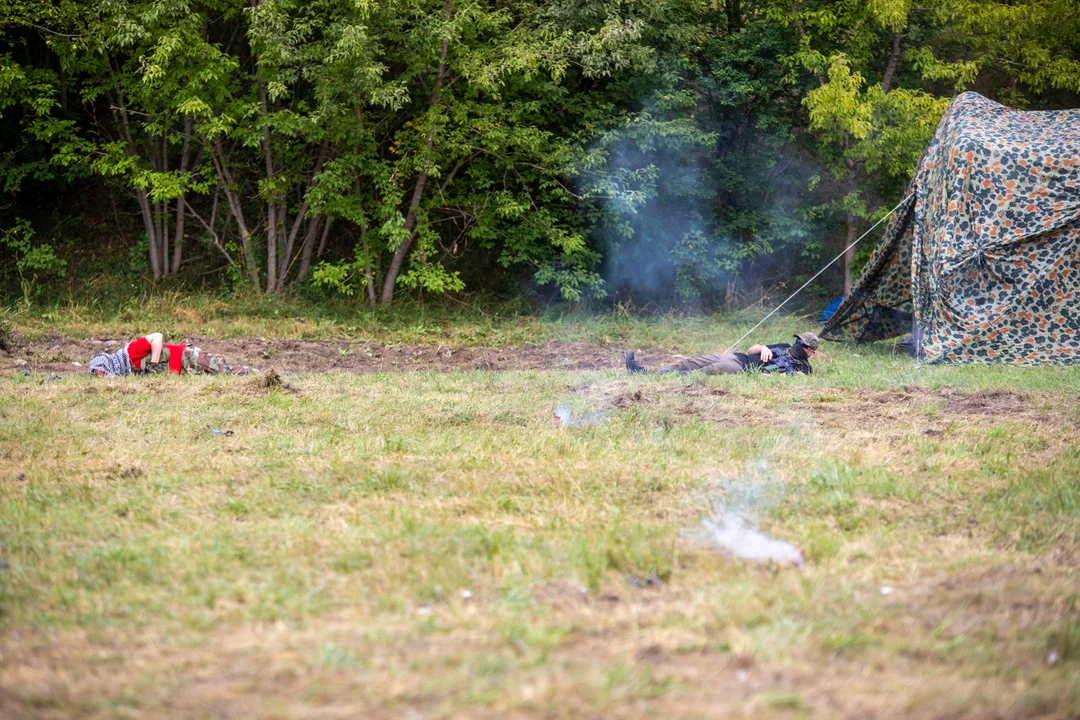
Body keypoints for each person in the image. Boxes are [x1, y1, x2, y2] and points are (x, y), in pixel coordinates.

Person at [625, 332, 819, 376]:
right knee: (691, 362)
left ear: (810, 351)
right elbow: (751, 350)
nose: (797, 344)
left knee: (705, 371)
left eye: (802, 344)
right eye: (797, 340)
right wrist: (763, 347)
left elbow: (795, 379)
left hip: (742, 368)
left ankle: (667, 378)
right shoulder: (783, 346)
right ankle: (643, 371)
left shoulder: (803, 367)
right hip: (736, 356)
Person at [88, 333, 256, 377]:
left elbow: (157, 336)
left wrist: (153, 363)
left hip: (187, 356)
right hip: (185, 372)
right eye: (97, 374)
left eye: (100, 371)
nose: (101, 375)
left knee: (226, 372)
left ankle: (258, 376)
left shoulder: (129, 352)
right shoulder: (126, 373)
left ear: (108, 364)